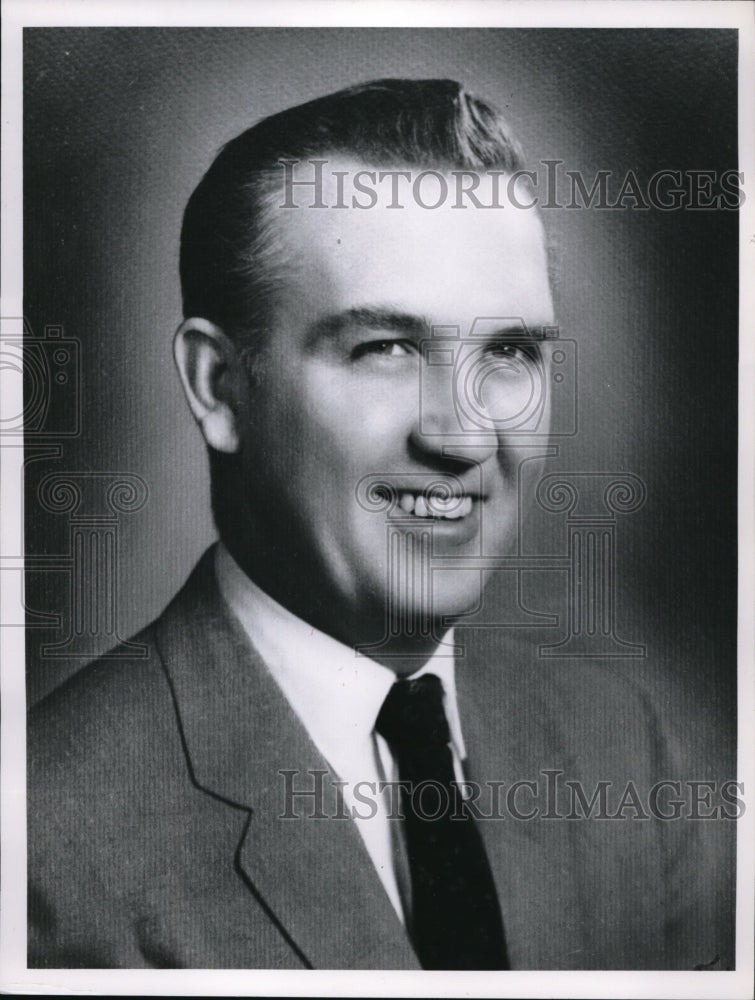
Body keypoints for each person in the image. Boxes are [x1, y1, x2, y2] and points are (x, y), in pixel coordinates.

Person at [27, 79, 734, 970]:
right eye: (386, 349)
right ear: (217, 386)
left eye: (508, 351)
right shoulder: (42, 847)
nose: (465, 433)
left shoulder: (618, 747)